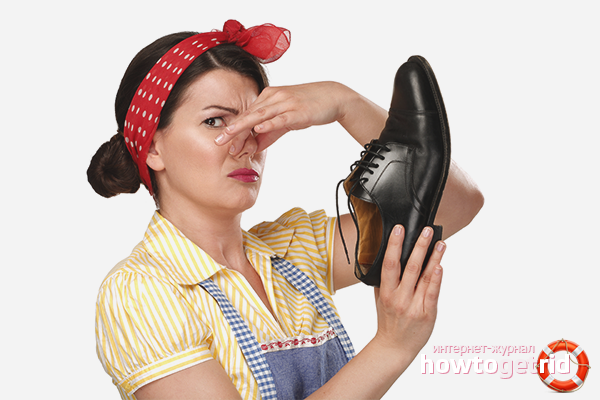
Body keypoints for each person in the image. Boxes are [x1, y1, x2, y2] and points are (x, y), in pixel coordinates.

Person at [89, 20, 483, 400]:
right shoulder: (141, 291)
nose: (245, 142)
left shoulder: (294, 249)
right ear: (153, 147)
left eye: (255, 123)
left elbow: (457, 205)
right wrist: (391, 347)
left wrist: (345, 103)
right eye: (215, 121)